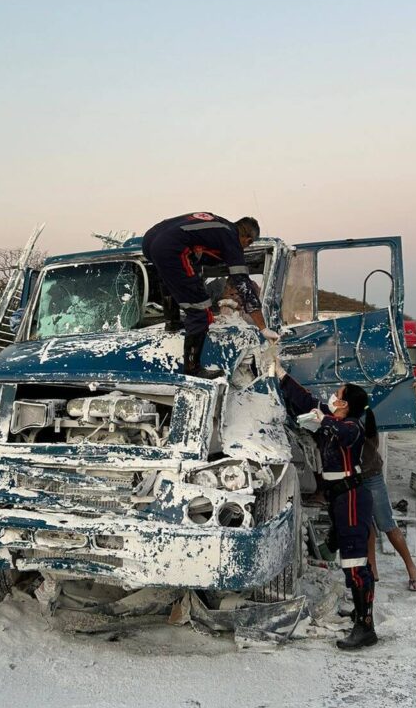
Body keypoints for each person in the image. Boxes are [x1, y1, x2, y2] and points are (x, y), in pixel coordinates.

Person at [274, 361, 378, 650]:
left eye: (338, 394)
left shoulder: (351, 427)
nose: (333, 396)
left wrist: (321, 420)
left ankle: (365, 627)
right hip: (339, 498)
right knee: (349, 561)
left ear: (346, 404)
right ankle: (359, 612)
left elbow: (341, 432)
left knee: (355, 564)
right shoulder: (333, 417)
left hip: (353, 498)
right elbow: (306, 401)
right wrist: (281, 374)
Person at [142, 213, 276, 378]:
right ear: (248, 240)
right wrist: (263, 328)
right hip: (171, 248)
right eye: (247, 246)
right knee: (201, 312)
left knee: (169, 276)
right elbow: (243, 284)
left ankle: (172, 322)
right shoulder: (231, 239)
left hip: (150, 241)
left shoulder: (218, 226)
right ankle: (192, 369)